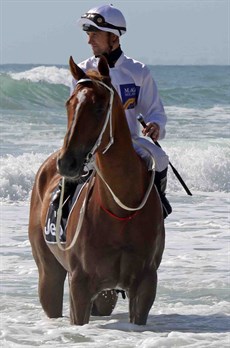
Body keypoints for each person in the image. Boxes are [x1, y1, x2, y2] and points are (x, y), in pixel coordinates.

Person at [70, 4, 172, 218]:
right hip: (92, 144)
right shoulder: (82, 71)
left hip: (130, 142)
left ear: (114, 37)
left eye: (95, 35)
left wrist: (155, 125)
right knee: (68, 169)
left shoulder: (138, 71)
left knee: (161, 158)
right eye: (88, 35)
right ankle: (61, 213)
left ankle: (158, 206)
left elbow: (155, 111)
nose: (89, 41)